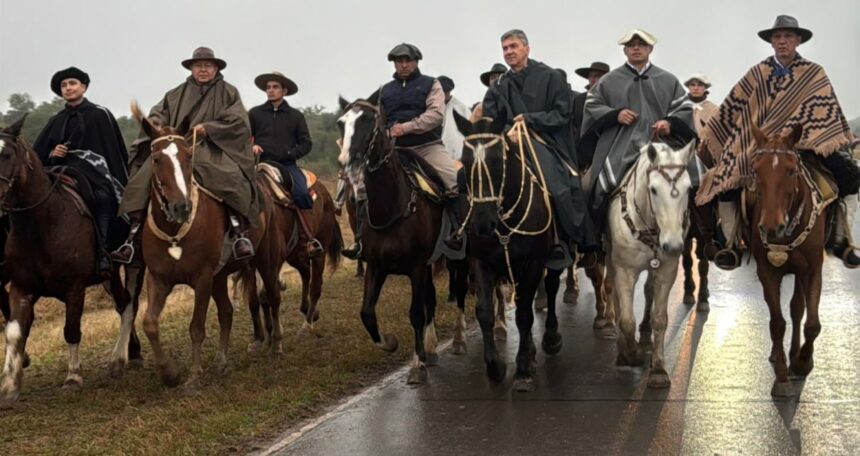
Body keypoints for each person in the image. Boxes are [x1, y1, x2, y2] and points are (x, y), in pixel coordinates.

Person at [695, 15, 859, 269]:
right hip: (759, 145)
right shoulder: (757, 73)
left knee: (850, 176)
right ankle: (730, 244)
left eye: (788, 37)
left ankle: (842, 241)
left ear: (798, 40)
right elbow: (734, 107)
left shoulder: (814, 73)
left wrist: (811, 137)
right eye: (777, 37)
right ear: (771, 42)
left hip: (805, 145)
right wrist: (717, 132)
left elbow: (826, 111)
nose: (782, 41)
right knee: (725, 180)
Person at [114, 46, 259, 263]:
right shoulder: (174, 94)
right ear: (191, 68)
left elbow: (239, 121)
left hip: (212, 148)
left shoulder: (229, 92)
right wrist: (157, 126)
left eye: (207, 66)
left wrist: (209, 128)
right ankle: (133, 236)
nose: (202, 70)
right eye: (198, 66)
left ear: (215, 68)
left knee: (230, 178)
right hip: (176, 147)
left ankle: (239, 233)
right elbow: (158, 114)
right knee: (143, 177)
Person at [479, 29, 596, 258]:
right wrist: (507, 132)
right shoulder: (498, 86)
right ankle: (472, 239)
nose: (509, 52)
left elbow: (562, 114)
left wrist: (530, 121)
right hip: (507, 143)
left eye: (513, 46)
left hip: (547, 142)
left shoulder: (551, 77)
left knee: (559, 187)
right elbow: (491, 119)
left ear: (527, 49)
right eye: (505, 48)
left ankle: (561, 241)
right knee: (477, 179)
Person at [343, 43, 461, 259]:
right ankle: (361, 240)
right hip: (394, 150)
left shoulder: (430, 84)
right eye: (399, 61)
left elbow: (436, 115)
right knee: (360, 187)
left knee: (454, 180)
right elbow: (375, 120)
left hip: (427, 147)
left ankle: (459, 233)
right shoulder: (385, 91)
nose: (403, 64)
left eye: (408, 60)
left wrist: (405, 127)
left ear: (416, 62)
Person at [580, 29, 697, 232]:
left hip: (662, 145)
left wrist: (669, 123)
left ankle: (704, 234)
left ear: (650, 48)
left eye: (641, 45)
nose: (636, 48)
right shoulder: (609, 80)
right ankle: (595, 241)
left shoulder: (668, 80)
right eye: (631, 45)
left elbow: (683, 108)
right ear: (625, 51)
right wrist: (614, 114)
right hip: (621, 145)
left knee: (697, 178)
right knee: (594, 187)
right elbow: (592, 104)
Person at [33, 66, 129, 276]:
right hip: (60, 170)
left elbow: (113, 149)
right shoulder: (56, 120)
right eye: (64, 85)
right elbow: (37, 153)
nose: (68, 88)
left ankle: (104, 250)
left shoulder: (100, 114)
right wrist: (53, 152)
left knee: (104, 197)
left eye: (72, 83)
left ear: (83, 87)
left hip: (96, 172)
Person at [249, 71, 323, 257]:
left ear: (284, 90)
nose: (271, 91)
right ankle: (242, 239)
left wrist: (290, 153)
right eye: (268, 88)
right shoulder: (255, 113)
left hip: (287, 165)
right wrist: (252, 145)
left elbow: (306, 143)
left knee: (301, 193)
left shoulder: (295, 116)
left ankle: (308, 240)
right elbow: (245, 137)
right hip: (260, 164)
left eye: (275, 87)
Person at [571, 61, 610, 145]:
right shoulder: (579, 99)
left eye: (597, 76)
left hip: (606, 144)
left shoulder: (613, 98)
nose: (592, 79)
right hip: (582, 145)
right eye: (590, 76)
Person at [438, 75, 472, 160]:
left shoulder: (460, 108)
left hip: (458, 156)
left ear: (449, 91)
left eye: (444, 92)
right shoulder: (433, 108)